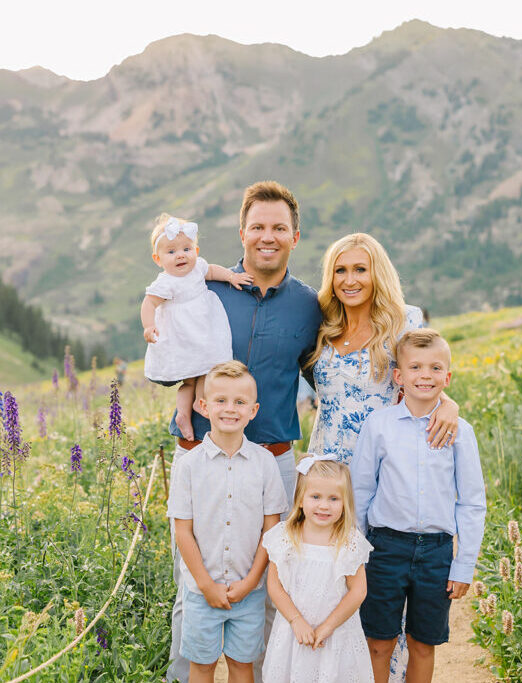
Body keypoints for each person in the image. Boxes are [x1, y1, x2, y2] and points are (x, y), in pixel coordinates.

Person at [167, 181, 322, 683]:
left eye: (279, 227)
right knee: (193, 589)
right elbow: (170, 351)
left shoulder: (310, 306)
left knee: (268, 591)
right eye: (258, 227)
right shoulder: (203, 289)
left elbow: (344, 372)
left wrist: (440, 397)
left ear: (295, 236)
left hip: (272, 463)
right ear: (241, 233)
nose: (267, 236)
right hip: (202, 457)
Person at [304, 232, 459, 680]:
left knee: (385, 598)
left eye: (359, 269)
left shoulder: (404, 322)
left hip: (387, 478)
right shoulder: (323, 329)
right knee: (333, 592)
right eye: (340, 270)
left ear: (377, 274)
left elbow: (430, 374)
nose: (349, 279)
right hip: (328, 480)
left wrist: (450, 404)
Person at [350, 329, 486, 683]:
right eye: (415, 367)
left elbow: (472, 502)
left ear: (448, 377)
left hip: (436, 553)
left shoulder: (462, 432)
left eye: (435, 368)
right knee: (379, 641)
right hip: (385, 547)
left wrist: (464, 565)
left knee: (423, 643)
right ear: (399, 376)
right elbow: (361, 491)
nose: (425, 375)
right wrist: (357, 552)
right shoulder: (378, 427)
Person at [169, 361, 288, 682]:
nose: (230, 409)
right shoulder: (189, 466)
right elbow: (182, 531)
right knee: (202, 666)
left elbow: (272, 529)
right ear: (203, 406)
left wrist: (250, 582)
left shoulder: (265, 464)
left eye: (239, 402)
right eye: (220, 401)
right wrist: (206, 585)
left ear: (253, 410)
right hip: (200, 591)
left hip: (247, 590)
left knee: (241, 665)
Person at [261, 455, 373, 682]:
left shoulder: (349, 541)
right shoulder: (285, 536)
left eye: (333, 498)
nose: (324, 505)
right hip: (294, 633)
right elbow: (275, 585)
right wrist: (295, 620)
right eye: (315, 496)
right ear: (300, 499)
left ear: (345, 502)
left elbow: (358, 591)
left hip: (336, 634)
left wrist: (328, 627)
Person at [141, 214, 252, 440]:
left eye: (186, 249)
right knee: (191, 378)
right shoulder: (166, 282)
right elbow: (149, 303)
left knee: (208, 368)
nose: (180, 255)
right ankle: (185, 412)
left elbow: (212, 271)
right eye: (171, 252)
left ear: (196, 251)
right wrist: (149, 326)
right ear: (158, 259)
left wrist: (231, 276)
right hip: (185, 334)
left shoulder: (198, 269)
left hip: (205, 329)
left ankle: (196, 406)